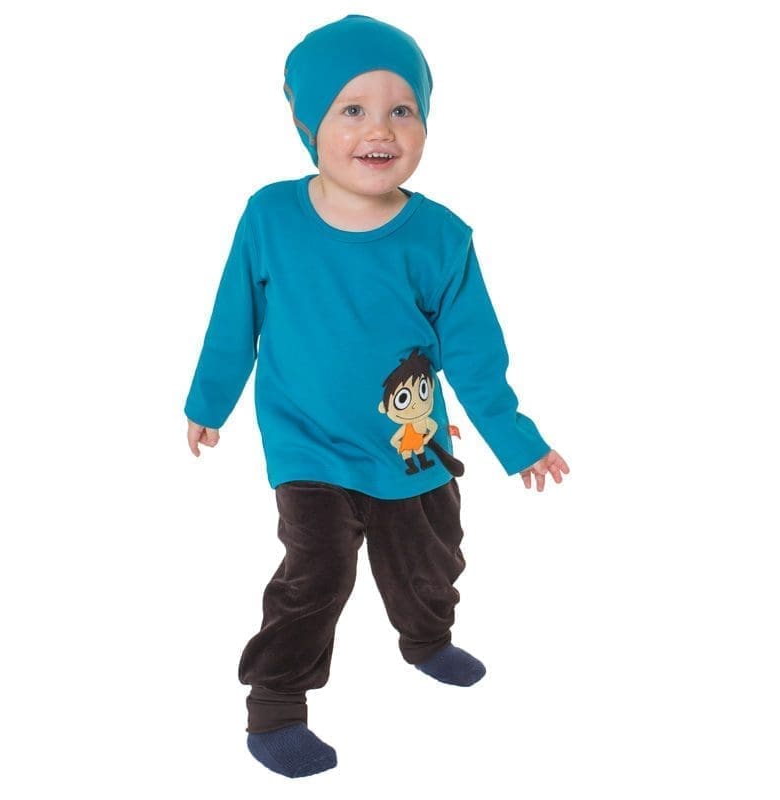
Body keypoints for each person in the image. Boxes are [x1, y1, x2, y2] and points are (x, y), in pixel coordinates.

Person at [184, 13, 570, 779]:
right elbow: (236, 317)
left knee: (432, 557)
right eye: (352, 109)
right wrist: (209, 400)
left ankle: (426, 639)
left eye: (403, 110)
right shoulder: (270, 216)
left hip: (411, 441)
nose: (380, 130)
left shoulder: (442, 237)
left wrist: (517, 440)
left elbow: (475, 355)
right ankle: (276, 702)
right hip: (308, 442)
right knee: (318, 569)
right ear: (307, 123)